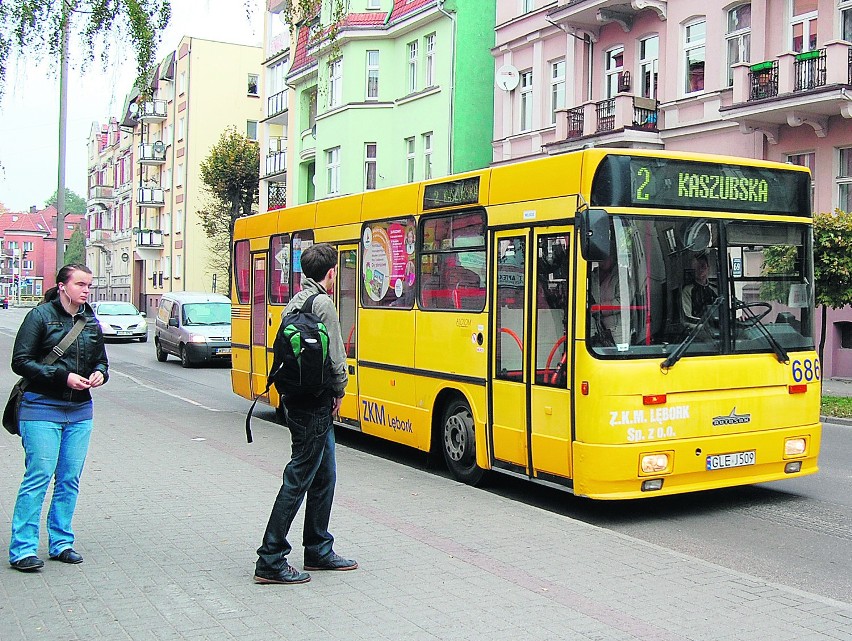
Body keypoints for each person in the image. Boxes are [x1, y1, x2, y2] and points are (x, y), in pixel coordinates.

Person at [254, 243, 354, 585]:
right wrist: (340, 391)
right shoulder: (324, 303)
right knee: (299, 478)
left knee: (324, 474)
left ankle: (317, 548)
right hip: (316, 403)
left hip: (295, 399)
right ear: (330, 273)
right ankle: (270, 558)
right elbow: (337, 355)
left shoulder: (293, 303)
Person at [9, 264, 108, 572]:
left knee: (68, 479)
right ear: (63, 286)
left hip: (79, 412)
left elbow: (102, 361)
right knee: (39, 475)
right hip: (40, 408)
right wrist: (62, 377)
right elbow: (20, 361)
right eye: (80, 284)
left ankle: (61, 542)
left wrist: (99, 375)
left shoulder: (90, 320)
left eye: (89, 285)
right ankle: (22, 549)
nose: (86, 290)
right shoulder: (39, 317)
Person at [682, 254, 717, 320]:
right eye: (696, 267)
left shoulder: (715, 289)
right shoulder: (687, 290)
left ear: (708, 268)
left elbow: (723, 313)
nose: (700, 270)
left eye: (703, 266)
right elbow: (687, 318)